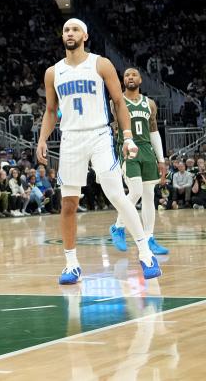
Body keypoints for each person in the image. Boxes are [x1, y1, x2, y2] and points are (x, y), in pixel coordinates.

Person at [36, 19, 162, 285]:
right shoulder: (53, 72)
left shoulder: (100, 63)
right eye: (66, 30)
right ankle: (72, 264)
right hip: (70, 139)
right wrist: (42, 139)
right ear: (62, 36)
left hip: (100, 135)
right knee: (68, 204)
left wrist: (127, 136)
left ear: (85, 35)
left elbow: (119, 101)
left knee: (117, 194)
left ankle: (145, 252)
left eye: (75, 29)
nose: (70, 33)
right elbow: (50, 111)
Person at [109, 68, 169, 256]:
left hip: (147, 150)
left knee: (149, 195)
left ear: (140, 80)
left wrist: (161, 159)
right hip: (127, 147)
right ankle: (118, 227)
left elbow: (153, 131)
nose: (130, 77)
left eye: (134, 75)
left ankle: (149, 237)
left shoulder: (149, 103)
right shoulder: (116, 102)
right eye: (126, 75)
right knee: (134, 191)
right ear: (123, 80)